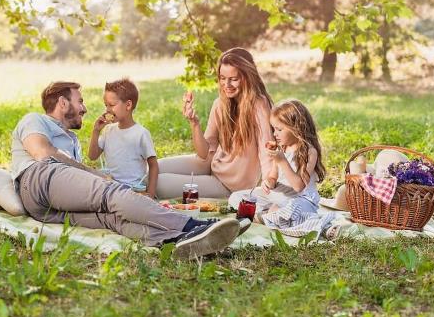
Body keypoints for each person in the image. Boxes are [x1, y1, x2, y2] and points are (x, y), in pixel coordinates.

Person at [11, 81, 240, 259]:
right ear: (62, 103)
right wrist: (95, 175)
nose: (85, 108)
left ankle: (177, 239)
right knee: (111, 192)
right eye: (79, 101)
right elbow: (42, 152)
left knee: (112, 218)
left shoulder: (70, 140)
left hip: (44, 209)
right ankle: (194, 226)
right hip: (39, 178)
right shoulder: (34, 120)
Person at [156, 47, 274, 198]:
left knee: (157, 183)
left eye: (234, 79)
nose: (227, 85)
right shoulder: (220, 104)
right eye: (223, 78)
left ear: (247, 77)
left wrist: (268, 183)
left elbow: (267, 151)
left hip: (229, 186)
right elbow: (204, 154)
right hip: (211, 165)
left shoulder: (259, 105)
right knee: (153, 168)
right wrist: (194, 123)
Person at [256, 99, 333, 236]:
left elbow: (299, 187)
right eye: (274, 129)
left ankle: (272, 217)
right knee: (242, 196)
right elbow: (273, 176)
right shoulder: (282, 148)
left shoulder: (309, 152)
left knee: (291, 208)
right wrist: (269, 182)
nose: (275, 134)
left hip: (302, 200)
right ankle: (272, 215)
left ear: (296, 128)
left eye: (279, 129)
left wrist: (282, 161)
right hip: (282, 196)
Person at [87, 78, 159, 198]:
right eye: (106, 105)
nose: (107, 109)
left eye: (112, 105)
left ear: (128, 105)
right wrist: (96, 131)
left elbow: (153, 165)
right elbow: (92, 156)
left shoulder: (141, 134)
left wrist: (150, 194)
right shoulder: (108, 130)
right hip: (110, 188)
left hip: (133, 190)